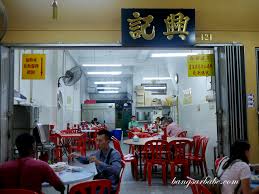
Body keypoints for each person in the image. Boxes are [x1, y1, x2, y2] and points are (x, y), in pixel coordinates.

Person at [0, 133, 65, 194]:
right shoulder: (42, 166)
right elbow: (60, 187)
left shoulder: (3, 167)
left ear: (17, 148)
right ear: (33, 147)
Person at [74, 129, 122, 194]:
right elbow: (87, 159)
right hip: (99, 183)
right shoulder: (99, 152)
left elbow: (116, 170)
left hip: (109, 187)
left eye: (100, 141)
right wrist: (77, 156)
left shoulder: (114, 154)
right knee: (76, 191)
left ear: (107, 142)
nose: (97, 143)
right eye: (97, 140)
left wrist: (99, 162)